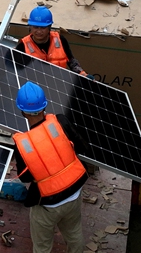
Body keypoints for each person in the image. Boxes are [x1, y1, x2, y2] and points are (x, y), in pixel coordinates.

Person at [11, 82, 88, 253]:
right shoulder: (61, 120)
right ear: (44, 106)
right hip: (74, 193)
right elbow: (82, 147)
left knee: (42, 246)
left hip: (48, 205)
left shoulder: (23, 143)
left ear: (22, 111)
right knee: (74, 234)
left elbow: (24, 178)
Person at [16, 6, 88, 76]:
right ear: (30, 27)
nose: (39, 31)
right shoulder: (23, 45)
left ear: (49, 27)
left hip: (59, 84)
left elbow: (71, 61)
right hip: (36, 85)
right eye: (35, 27)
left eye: (43, 28)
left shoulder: (60, 40)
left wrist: (82, 73)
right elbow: (14, 68)